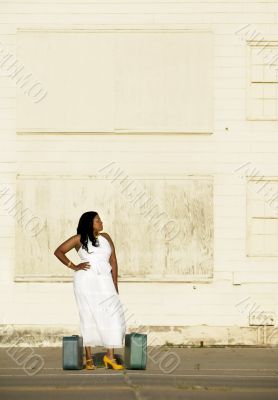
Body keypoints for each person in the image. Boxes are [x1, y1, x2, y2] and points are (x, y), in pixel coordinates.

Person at [54, 211, 126, 370]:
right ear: (89, 223)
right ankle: (88, 358)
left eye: (100, 219)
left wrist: (115, 283)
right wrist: (73, 266)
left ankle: (110, 357)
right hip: (85, 280)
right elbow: (59, 251)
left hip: (105, 280)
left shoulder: (106, 237)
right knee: (88, 314)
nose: (101, 222)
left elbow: (113, 260)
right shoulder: (79, 238)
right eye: (97, 220)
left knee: (112, 314)